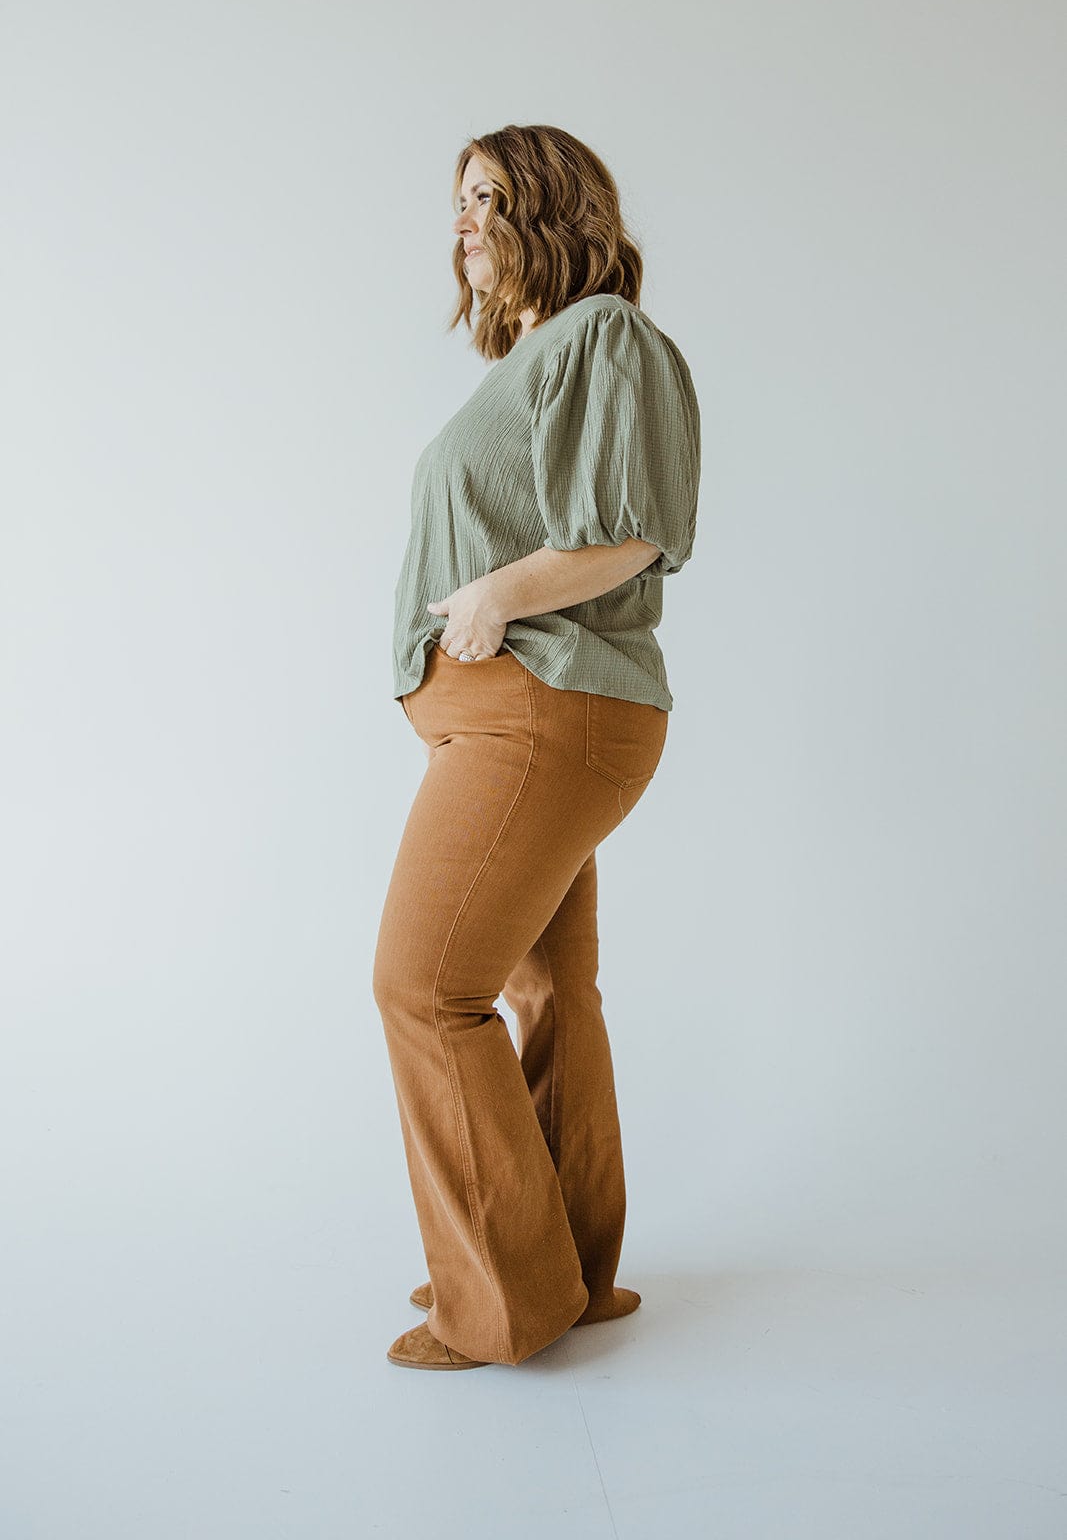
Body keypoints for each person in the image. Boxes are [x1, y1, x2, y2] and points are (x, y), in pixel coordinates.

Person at [372, 124, 702, 1370]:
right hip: (517, 720)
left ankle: (500, 1303)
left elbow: (628, 536)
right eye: (454, 201)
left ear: (549, 208)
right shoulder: (535, 362)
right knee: (541, 988)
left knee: (422, 989)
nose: (459, 224)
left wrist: (494, 596)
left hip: (541, 714)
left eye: (484, 197)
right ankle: (565, 1270)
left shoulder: (602, 336)